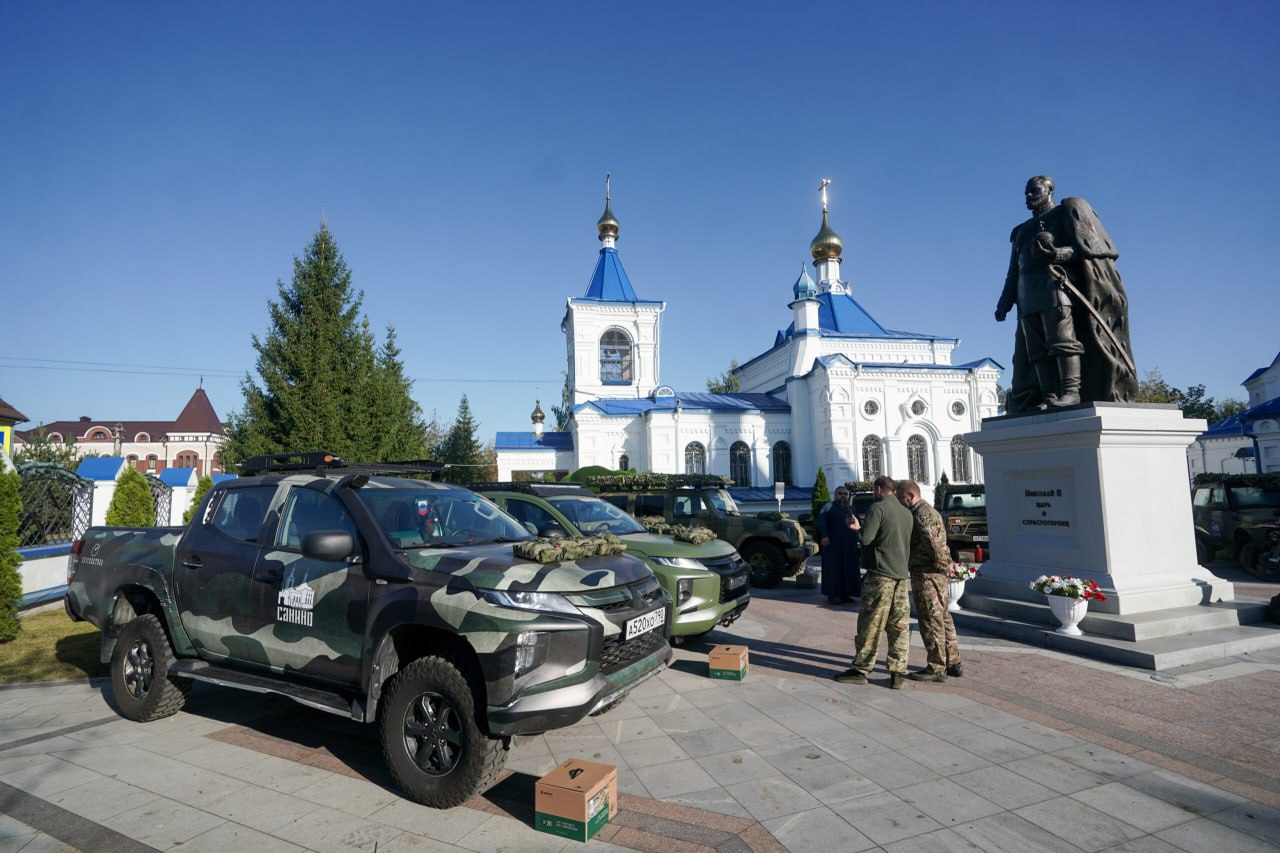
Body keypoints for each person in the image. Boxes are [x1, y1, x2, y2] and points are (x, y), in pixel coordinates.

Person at [996, 176, 1137, 414]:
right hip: (1027, 296)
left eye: (1034, 191)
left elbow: (1085, 249)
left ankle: (1071, 392)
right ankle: (1049, 396)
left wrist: (1056, 254)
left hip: (1056, 289)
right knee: (1037, 352)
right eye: (1026, 193)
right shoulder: (1021, 231)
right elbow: (1013, 272)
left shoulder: (1062, 215)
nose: (1029, 196)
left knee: (1063, 342)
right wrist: (1004, 303)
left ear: (1050, 190)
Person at [833, 476, 913, 689]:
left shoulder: (877, 509)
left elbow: (867, 539)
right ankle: (898, 672)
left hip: (880, 576)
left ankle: (861, 669)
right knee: (899, 626)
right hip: (901, 577)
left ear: (878, 489)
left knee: (871, 624)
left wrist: (857, 529)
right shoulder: (907, 512)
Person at [896, 480, 963, 682]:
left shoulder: (923, 515)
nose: (900, 502)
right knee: (943, 618)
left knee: (930, 620)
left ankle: (936, 666)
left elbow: (934, 545)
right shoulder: (923, 512)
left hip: (927, 575)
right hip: (932, 573)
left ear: (911, 496)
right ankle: (952, 662)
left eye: (901, 499)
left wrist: (945, 566)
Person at [818, 486, 861, 604]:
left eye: (845, 494)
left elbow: (858, 524)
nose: (843, 496)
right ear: (835, 495)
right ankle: (833, 595)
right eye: (840, 494)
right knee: (833, 570)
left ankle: (847, 594)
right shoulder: (828, 507)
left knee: (848, 569)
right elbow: (821, 521)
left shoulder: (851, 508)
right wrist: (824, 536)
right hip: (833, 545)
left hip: (849, 546)